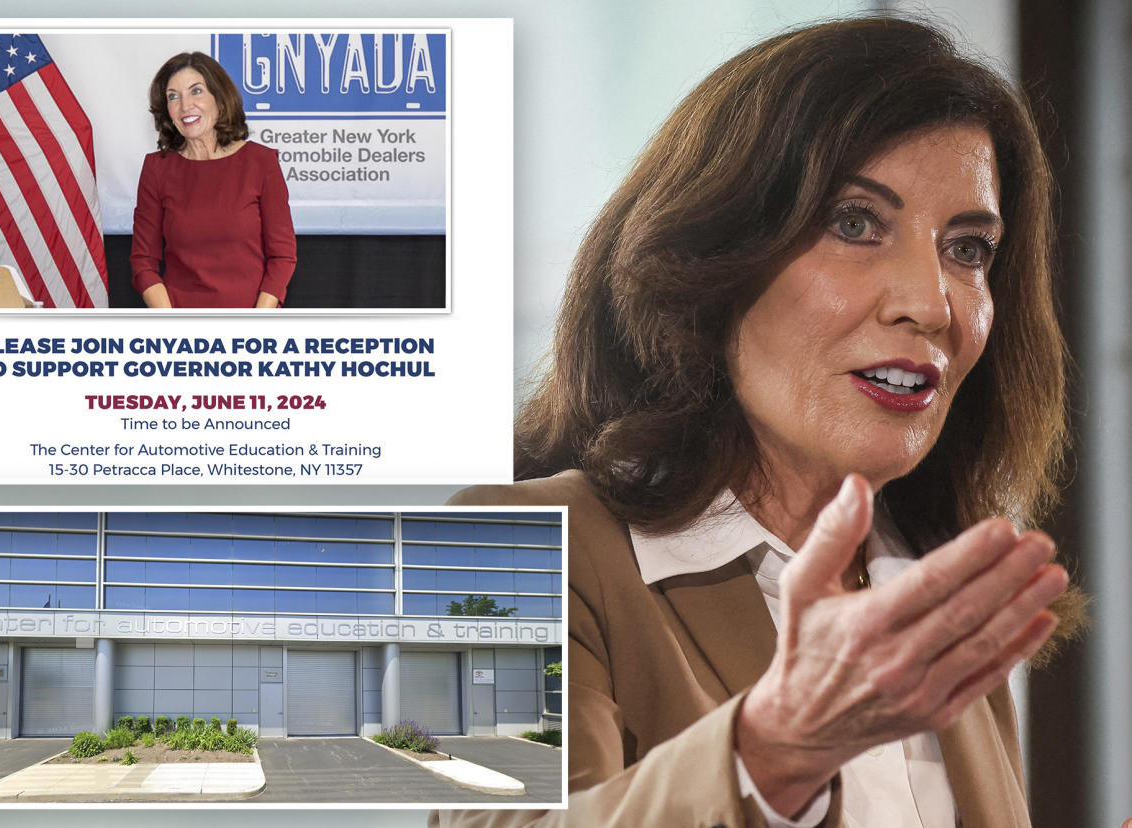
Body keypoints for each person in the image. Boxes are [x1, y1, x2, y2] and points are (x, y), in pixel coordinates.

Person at [435, 16, 1087, 828]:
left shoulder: (933, 598)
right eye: (855, 223)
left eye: (968, 249)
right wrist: (778, 749)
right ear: (709, 263)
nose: (930, 303)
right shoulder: (520, 550)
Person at [130, 52, 296, 308]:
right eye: (173, 96)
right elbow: (143, 261)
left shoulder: (261, 163)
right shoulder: (157, 168)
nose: (185, 106)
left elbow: (282, 256)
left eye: (196, 91)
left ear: (219, 99)